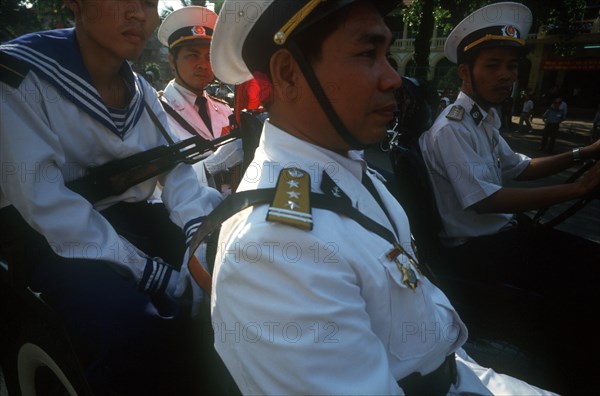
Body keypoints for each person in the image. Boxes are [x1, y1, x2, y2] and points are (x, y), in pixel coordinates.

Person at [208, 1, 555, 394]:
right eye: (366, 54)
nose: (393, 78)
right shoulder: (274, 249)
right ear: (289, 74)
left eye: (388, 55)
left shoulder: (345, 166)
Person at [0, 0, 223, 394]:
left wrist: (197, 242)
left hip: (131, 219)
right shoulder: (18, 74)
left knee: (229, 278)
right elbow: (45, 204)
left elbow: (176, 172)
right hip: (47, 239)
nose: (140, 14)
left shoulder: (139, 89)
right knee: (132, 329)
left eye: (150, 3)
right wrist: (153, 274)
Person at [418, 2, 600, 392]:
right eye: (493, 65)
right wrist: (579, 188)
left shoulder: (484, 120)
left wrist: (583, 153)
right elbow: (485, 199)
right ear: (465, 73)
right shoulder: (452, 128)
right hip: (481, 252)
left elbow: (518, 166)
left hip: (505, 238)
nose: (506, 76)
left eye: (512, 67)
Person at [157, 6, 243, 194]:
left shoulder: (225, 109)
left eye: (208, 57)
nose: (203, 65)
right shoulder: (155, 113)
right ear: (172, 60)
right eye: (192, 55)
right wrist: (211, 166)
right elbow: (158, 187)